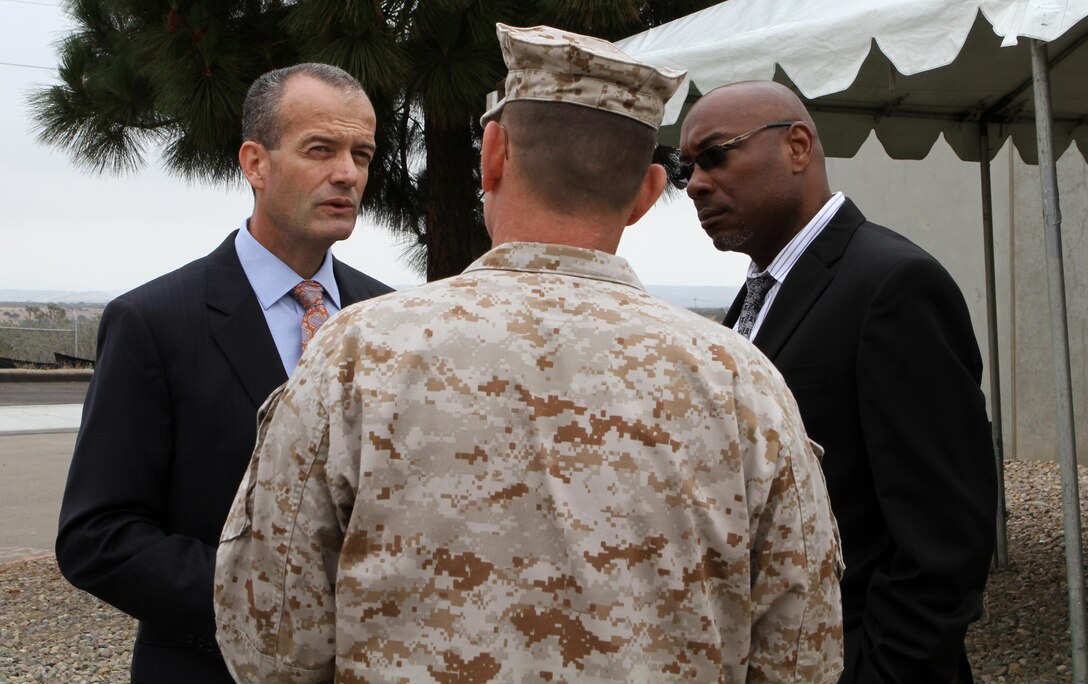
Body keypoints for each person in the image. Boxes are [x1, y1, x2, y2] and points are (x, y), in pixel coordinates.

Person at [214, 24, 844, 684]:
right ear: (648, 193)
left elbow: (269, 641)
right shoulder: (743, 384)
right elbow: (803, 657)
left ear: (492, 154)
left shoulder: (356, 356)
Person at [55, 63, 393, 683]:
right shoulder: (154, 323)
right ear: (255, 163)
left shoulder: (393, 318)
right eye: (320, 149)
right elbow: (98, 536)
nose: (348, 172)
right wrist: (266, 608)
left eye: (361, 153)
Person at [674, 80, 997, 683]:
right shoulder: (761, 291)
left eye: (716, 155)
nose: (694, 182)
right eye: (685, 167)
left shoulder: (894, 286)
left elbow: (947, 539)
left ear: (798, 146)